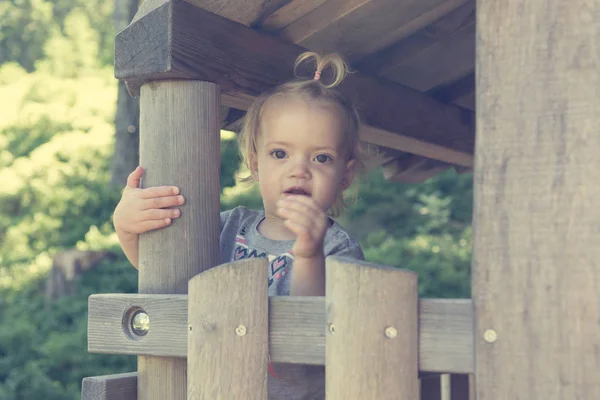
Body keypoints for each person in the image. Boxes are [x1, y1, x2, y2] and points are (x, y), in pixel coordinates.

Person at [113, 51, 365, 399]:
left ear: (345, 176)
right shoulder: (227, 228)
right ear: (255, 161)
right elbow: (165, 274)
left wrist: (309, 255)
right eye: (280, 153)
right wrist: (127, 229)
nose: (299, 170)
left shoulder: (337, 248)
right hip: (211, 387)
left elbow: (314, 332)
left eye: (321, 158)